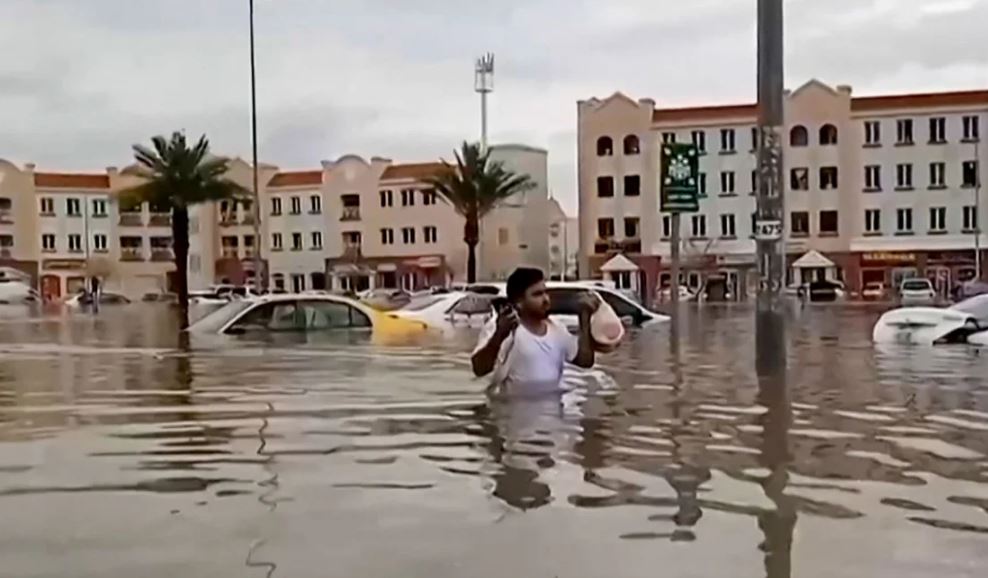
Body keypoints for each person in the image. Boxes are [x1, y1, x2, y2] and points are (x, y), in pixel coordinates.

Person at [471, 267, 599, 395]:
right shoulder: (502, 327)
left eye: (545, 292)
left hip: (552, 411)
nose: (546, 300)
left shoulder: (557, 329)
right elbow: (479, 369)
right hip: (512, 412)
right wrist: (499, 335)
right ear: (519, 302)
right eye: (537, 294)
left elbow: (585, 361)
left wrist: (584, 317)